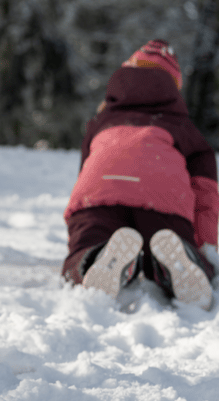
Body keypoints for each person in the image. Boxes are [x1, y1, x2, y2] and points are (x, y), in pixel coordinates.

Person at [62, 39, 217, 310]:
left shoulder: (100, 123)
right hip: (162, 198)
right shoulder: (183, 128)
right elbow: (206, 192)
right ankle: (182, 263)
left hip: (99, 196)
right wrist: (206, 245)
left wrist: (80, 225)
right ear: (173, 88)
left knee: (90, 239)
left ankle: (94, 258)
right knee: (171, 241)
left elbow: (86, 174)